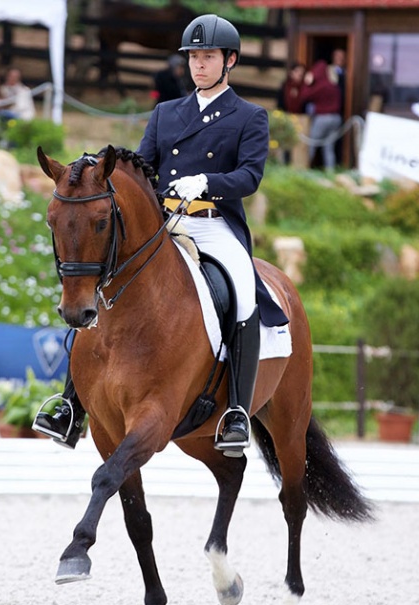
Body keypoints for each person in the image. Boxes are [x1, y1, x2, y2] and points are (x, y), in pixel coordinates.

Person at [34, 14, 289, 456]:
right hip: (164, 225)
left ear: (229, 61)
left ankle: (238, 412)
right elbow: (140, 165)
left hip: (212, 224)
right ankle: (70, 405)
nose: (199, 65)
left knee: (243, 292)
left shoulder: (250, 116)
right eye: (193, 57)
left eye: (208, 57)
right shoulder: (166, 112)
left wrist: (207, 182)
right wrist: (95, 165)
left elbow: (249, 176)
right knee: (103, 287)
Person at [299, 59, 342, 172]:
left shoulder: (320, 86)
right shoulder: (333, 86)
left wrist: (307, 83)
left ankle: (304, 170)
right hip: (336, 118)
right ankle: (330, 172)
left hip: (323, 118)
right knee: (329, 147)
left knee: (311, 145)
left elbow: (304, 96)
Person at [330, 48, 346, 164]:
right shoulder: (328, 71)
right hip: (329, 111)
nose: (339, 59)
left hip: (341, 112)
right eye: (337, 56)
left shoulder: (347, 73)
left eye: (342, 57)